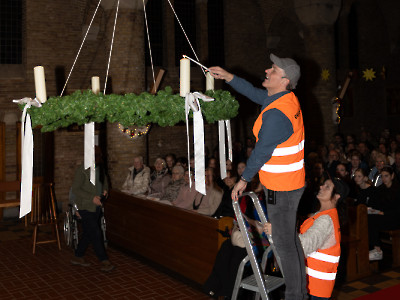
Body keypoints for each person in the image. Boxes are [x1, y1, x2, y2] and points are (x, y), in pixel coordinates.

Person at [210, 53, 307, 300]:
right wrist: (229, 77)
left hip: (282, 188)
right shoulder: (284, 99)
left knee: (284, 246)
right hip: (290, 183)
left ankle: (296, 296)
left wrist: (244, 179)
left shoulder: (278, 114)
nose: (267, 70)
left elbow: (262, 151)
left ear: (285, 80)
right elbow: (255, 93)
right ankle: (299, 293)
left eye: (273, 70)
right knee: (289, 241)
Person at [264, 178, 349, 299]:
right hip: (311, 285)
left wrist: (277, 231)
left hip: (314, 288)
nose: (321, 187)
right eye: (323, 184)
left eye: (327, 187)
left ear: (336, 196)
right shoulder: (321, 215)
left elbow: (302, 247)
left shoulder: (326, 220)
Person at [70, 146, 115, 272]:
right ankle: (104, 260)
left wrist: (105, 190)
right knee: (95, 232)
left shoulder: (100, 169)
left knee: (88, 233)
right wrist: (91, 198)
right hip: (85, 206)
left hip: (97, 206)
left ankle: (78, 256)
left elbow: (105, 181)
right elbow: (76, 189)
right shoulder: (82, 170)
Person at [367, 166, 400, 261]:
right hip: (384, 217)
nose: (384, 179)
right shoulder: (381, 189)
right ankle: (371, 248)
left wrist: (384, 213)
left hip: (395, 218)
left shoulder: (398, 189)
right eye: (382, 176)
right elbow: (375, 203)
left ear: (392, 176)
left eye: (386, 176)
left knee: (372, 220)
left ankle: (377, 250)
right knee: (367, 218)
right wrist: (372, 209)